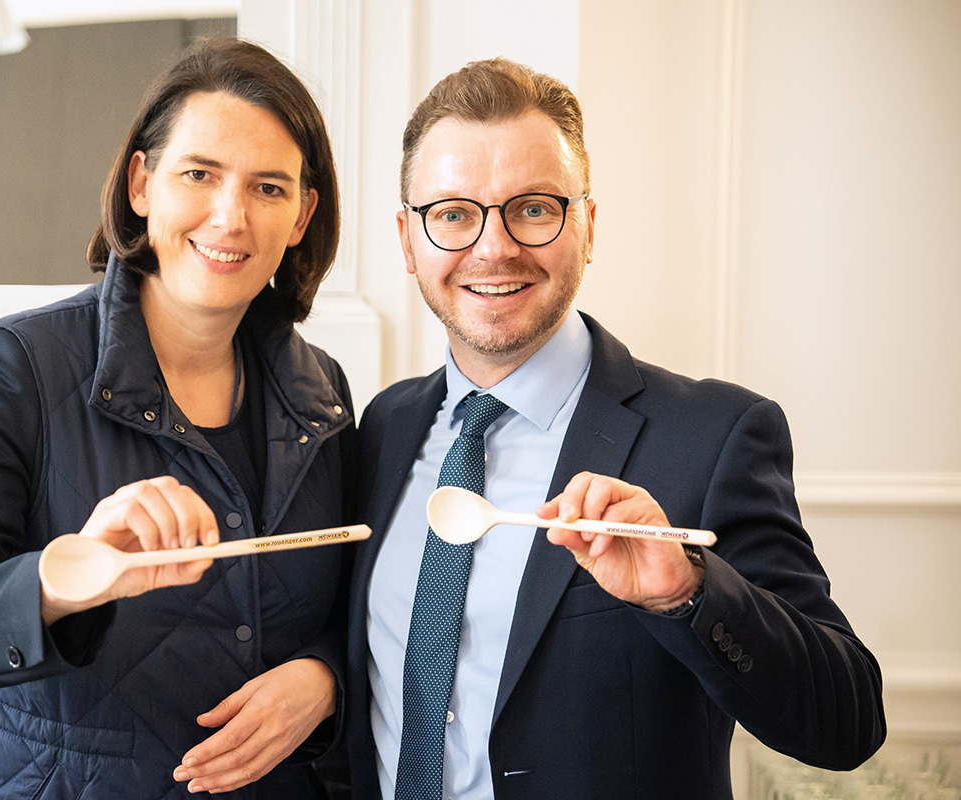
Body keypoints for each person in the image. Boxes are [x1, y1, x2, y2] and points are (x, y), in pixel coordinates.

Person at [346, 58, 885, 799]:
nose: (494, 247)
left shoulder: (715, 436)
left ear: (588, 227)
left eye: (533, 208)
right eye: (453, 213)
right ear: (408, 242)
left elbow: (847, 722)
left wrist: (686, 594)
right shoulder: (382, 427)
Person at [0, 38, 357, 799]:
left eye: (269, 188)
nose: (230, 216)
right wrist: (70, 576)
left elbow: (348, 601)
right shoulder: (19, 364)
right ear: (141, 183)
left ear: (301, 217)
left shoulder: (321, 393)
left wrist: (323, 677)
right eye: (200, 174)